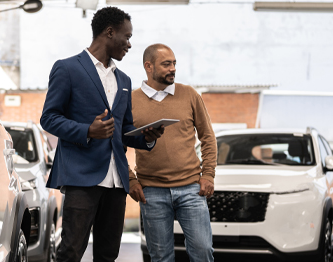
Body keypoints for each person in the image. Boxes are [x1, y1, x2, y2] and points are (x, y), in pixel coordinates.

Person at [40, 7, 163, 262]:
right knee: (71, 251)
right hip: (82, 177)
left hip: (117, 182)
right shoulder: (67, 68)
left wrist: (147, 136)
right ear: (109, 32)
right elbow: (49, 118)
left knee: (108, 254)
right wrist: (87, 130)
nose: (129, 44)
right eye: (126, 37)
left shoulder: (125, 80)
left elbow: (123, 131)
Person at [129, 43, 217, 262]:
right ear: (148, 66)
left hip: (191, 189)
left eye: (174, 63)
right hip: (152, 192)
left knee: (203, 252)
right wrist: (130, 180)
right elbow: (117, 147)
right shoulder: (130, 101)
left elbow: (208, 136)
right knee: (161, 257)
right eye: (166, 64)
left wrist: (208, 174)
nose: (173, 69)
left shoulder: (189, 94)